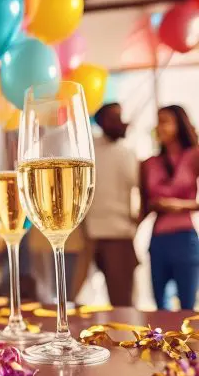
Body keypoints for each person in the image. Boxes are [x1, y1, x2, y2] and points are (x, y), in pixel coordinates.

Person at [140, 105, 199, 310]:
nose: (159, 126)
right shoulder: (149, 163)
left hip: (185, 239)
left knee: (187, 307)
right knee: (159, 307)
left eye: (165, 121)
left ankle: (190, 344)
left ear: (179, 124)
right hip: (157, 241)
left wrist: (178, 205)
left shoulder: (195, 156)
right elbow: (143, 206)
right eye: (158, 121)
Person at [85, 103, 139, 306]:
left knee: (121, 301)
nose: (120, 121)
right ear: (101, 122)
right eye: (114, 117)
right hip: (86, 236)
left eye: (121, 116)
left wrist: (136, 222)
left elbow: (141, 190)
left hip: (118, 236)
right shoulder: (90, 148)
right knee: (74, 299)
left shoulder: (127, 153)